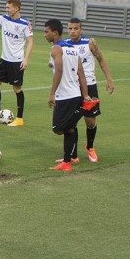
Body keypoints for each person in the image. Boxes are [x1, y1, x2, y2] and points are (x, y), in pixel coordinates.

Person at [44, 19, 98, 171]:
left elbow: (59, 71)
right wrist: (86, 95)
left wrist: (52, 93)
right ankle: (67, 162)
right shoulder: (73, 50)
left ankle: (82, 110)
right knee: (70, 129)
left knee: (58, 128)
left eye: (46, 31)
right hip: (75, 93)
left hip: (65, 95)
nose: (44, 35)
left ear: (55, 33)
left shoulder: (56, 48)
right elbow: (81, 74)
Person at [67, 18, 114, 163]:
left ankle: (90, 147)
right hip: (72, 86)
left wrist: (109, 79)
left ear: (81, 29)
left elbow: (101, 60)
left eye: (76, 28)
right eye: (70, 28)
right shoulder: (64, 45)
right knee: (71, 121)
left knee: (90, 121)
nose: (73, 31)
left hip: (90, 85)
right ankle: (72, 153)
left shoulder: (90, 43)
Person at [0, 0, 33, 126]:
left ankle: (19, 119)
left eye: (9, 7)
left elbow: (30, 41)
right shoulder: (4, 19)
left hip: (17, 61)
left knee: (17, 88)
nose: (6, 9)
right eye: (6, 7)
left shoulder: (25, 23)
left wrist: (26, 59)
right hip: (4, 60)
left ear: (16, 8)